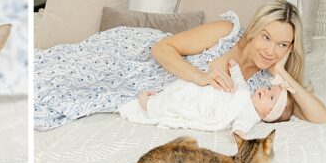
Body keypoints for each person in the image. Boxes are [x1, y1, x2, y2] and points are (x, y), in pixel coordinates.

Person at [151, 0, 326, 123]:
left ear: (290, 48)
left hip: (156, 100)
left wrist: (281, 72)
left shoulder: (269, 87)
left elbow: (324, 119)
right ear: (254, 30)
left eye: (282, 44)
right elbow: (160, 48)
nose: (270, 51)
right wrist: (200, 77)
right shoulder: (226, 34)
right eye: (266, 37)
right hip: (140, 62)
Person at [123, 60, 294, 132]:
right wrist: (234, 69)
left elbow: (240, 126)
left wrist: (239, 135)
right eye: (269, 89)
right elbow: (239, 81)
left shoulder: (250, 116)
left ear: (266, 115)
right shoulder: (247, 93)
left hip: (208, 108)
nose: (265, 91)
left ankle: (150, 105)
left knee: (182, 106)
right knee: (187, 89)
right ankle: (160, 97)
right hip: (209, 94)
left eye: (271, 98)